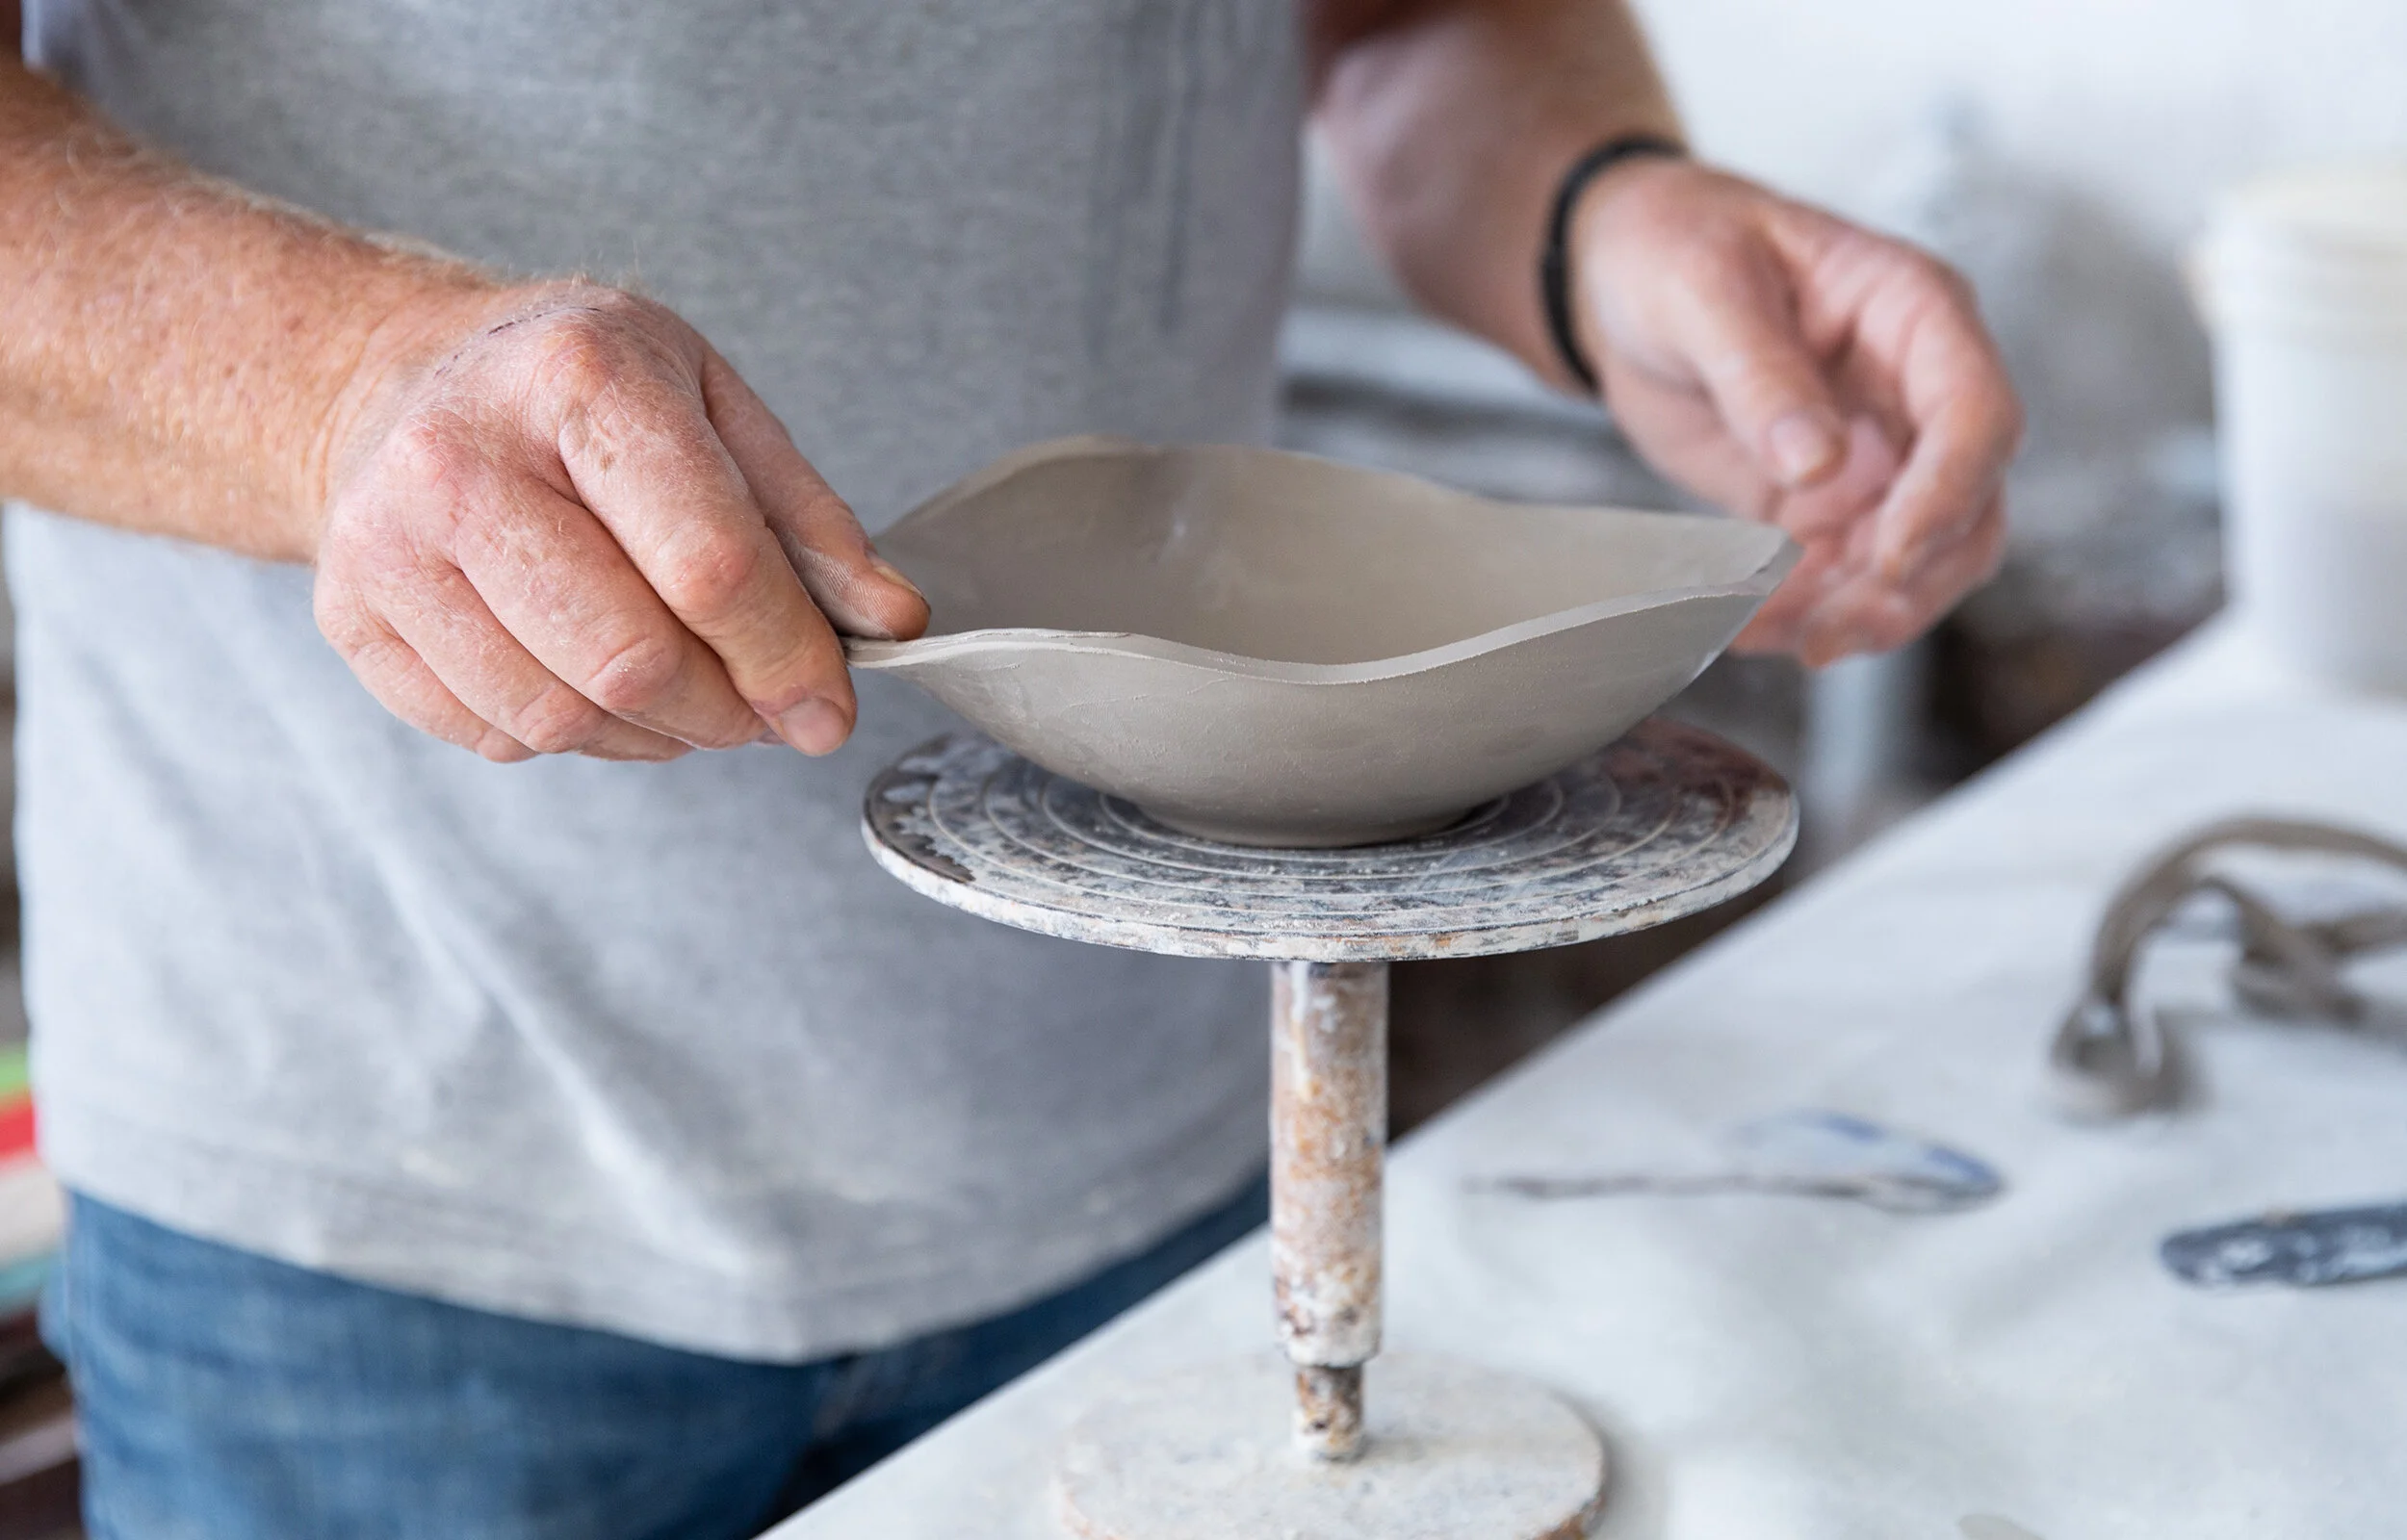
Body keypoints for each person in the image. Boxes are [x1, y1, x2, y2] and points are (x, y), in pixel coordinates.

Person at [0, 0, 2019, 1534]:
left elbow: (1402, 24)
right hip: (393, 1201)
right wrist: (335, 386)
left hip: (1163, 1133)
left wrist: (1599, 209)